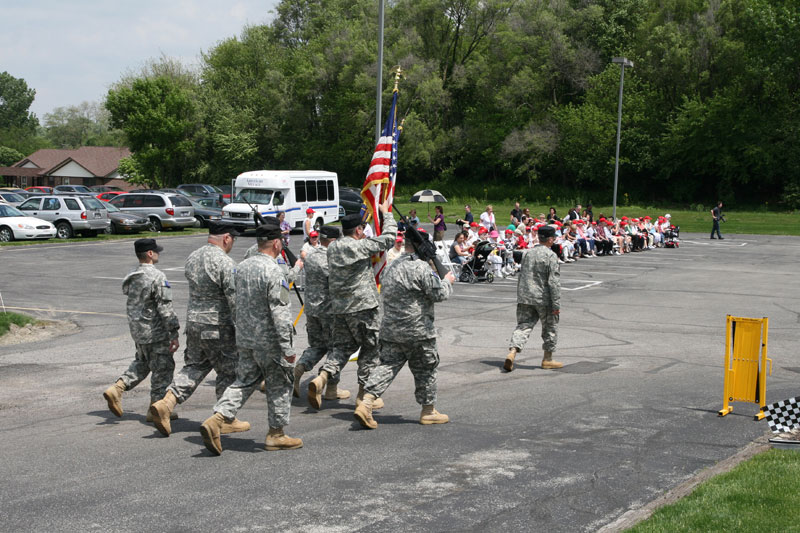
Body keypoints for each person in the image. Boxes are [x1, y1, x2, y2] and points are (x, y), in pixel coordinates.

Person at [199, 222, 302, 455]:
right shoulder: (274, 271)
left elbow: (235, 302)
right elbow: (280, 311)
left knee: (243, 381)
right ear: (276, 243)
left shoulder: (241, 267)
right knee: (279, 384)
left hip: (245, 338)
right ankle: (276, 434)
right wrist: (287, 346)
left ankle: (217, 418)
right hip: (269, 341)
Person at [148, 223, 250, 436]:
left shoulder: (192, 257)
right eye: (233, 240)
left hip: (194, 323)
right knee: (229, 369)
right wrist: (244, 328)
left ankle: (166, 403)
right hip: (217, 324)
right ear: (227, 238)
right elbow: (234, 298)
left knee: (194, 366)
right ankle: (226, 419)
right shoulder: (224, 261)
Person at [353, 238, 455, 429]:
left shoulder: (391, 266)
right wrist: (447, 282)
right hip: (418, 330)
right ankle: (428, 411)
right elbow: (439, 294)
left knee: (386, 366)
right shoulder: (420, 268)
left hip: (391, 329)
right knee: (426, 369)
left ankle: (366, 403)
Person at [308, 200, 397, 410]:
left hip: (340, 308)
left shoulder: (333, 248)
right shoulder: (360, 246)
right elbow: (389, 238)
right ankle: (363, 395)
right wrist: (386, 215)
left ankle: (322, 376)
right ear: (358, 230)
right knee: (370, 349)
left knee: (342, 348)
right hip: (363, 307)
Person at [103, 239, 180, 420]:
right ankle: (157, 410)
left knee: (143, 362)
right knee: (163, 368)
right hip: (155, 331)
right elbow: (165, 308)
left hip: (138, 329)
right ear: (150, 254)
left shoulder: (132, 275)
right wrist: (173, 332)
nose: (158, 254)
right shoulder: (157, 276)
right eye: (156, 251)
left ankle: (118, 388)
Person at [293, 226, 350, 401]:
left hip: (311, 309)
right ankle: (331, 388)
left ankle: (300, 368)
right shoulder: (331, 259)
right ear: (333, 241)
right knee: (336, 348)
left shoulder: (311, 255)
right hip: (329, 311)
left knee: (317, 346)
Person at [504, 225, 563, 372]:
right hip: (543, 298)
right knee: (550, 328)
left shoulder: (527, 253)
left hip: (525, 296)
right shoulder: (551, 256)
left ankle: (512, 351)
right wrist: (556, 304)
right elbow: (553, 282)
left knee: (523, 325)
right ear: (550, 239)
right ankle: (547, 359)